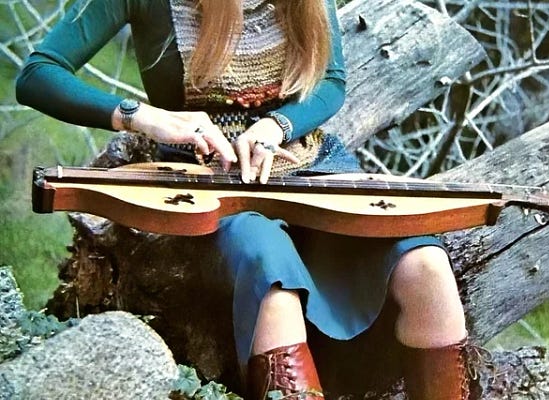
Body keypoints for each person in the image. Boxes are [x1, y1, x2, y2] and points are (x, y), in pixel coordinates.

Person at [16, 0, 471, 399]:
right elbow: (38, 74)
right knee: (272, 282)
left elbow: (330, 80)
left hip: (313, 167)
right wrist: (142, 116)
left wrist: (277, 126)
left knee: (427, 266)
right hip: (205, 187)